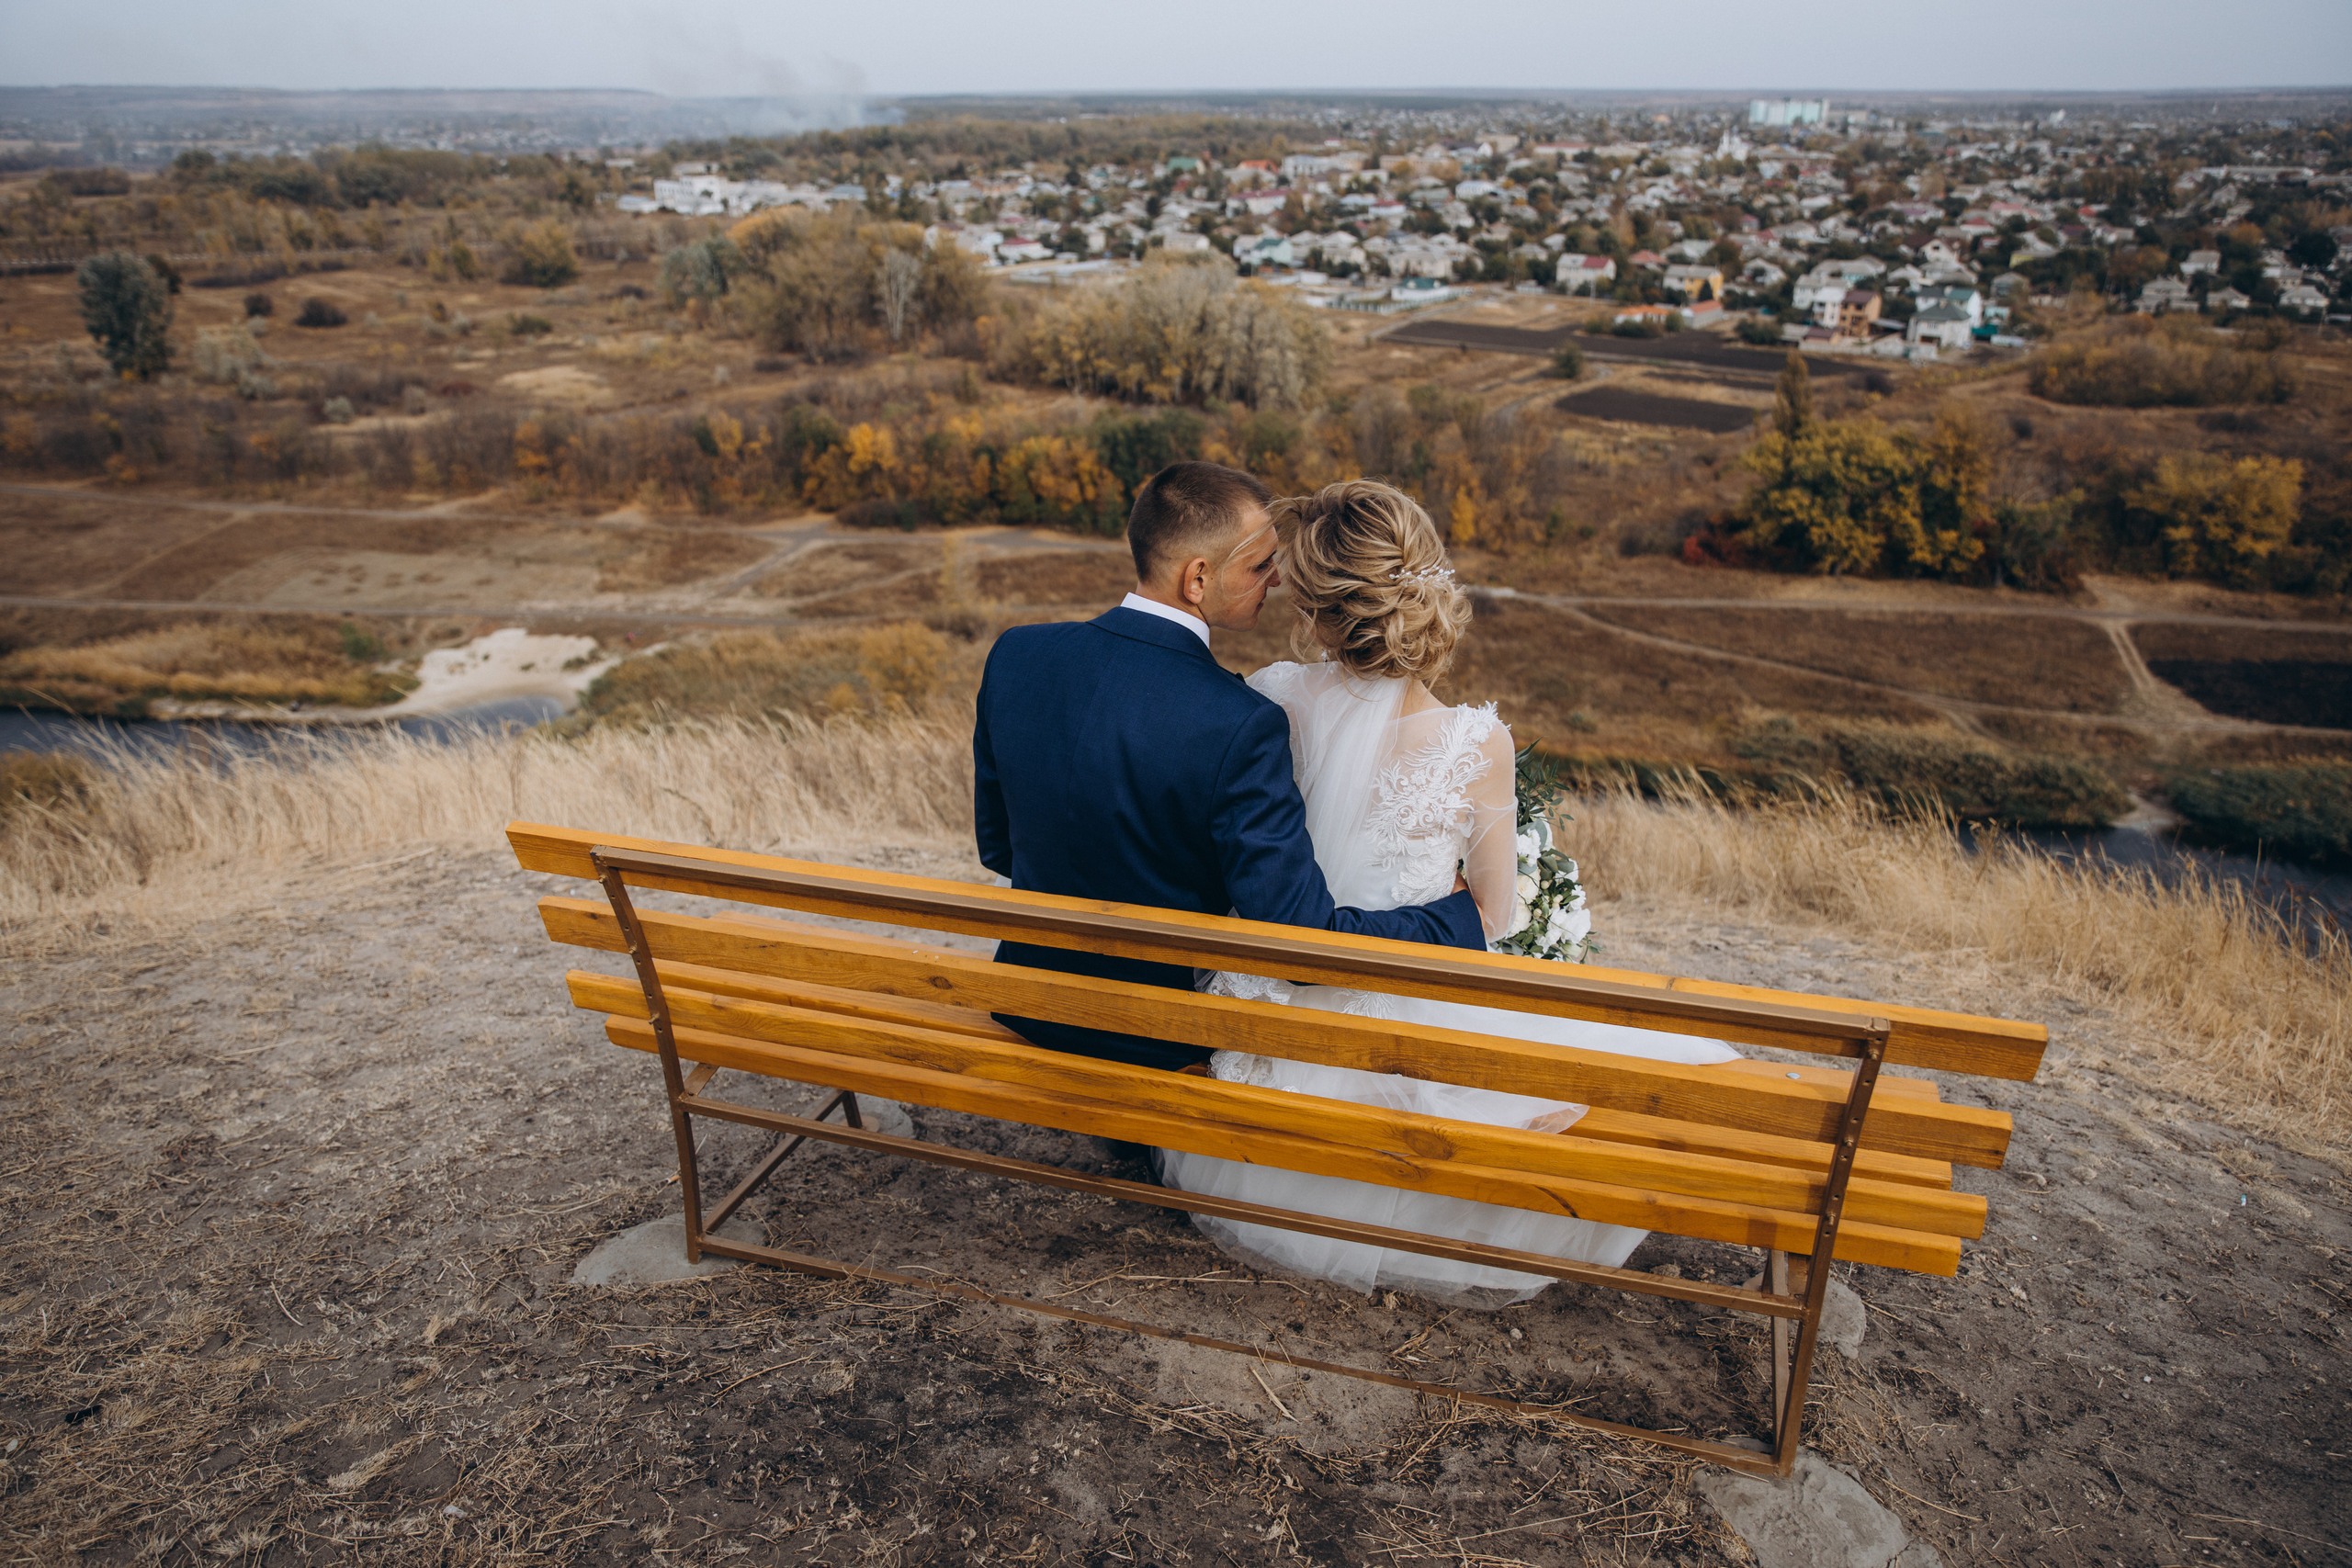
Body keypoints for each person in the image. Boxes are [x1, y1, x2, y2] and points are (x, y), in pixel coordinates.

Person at [1155, 479, 1744, 1309]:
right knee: (1649, 1058)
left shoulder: (1269, 700)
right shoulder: (1476, 743)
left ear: (1320, 605)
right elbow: (1493, 917)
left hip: (1272, 1042)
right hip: (1392, 1011)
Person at [971, 460, 1487, 1075]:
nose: (1275, 581)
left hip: (1029, 1001)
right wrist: (1456, 919)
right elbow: (1299, 941)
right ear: (1197, 579)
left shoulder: (1017, 655)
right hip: (1152, 1038)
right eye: (1259, 565)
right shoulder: (1238, 722)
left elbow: (998, 846)